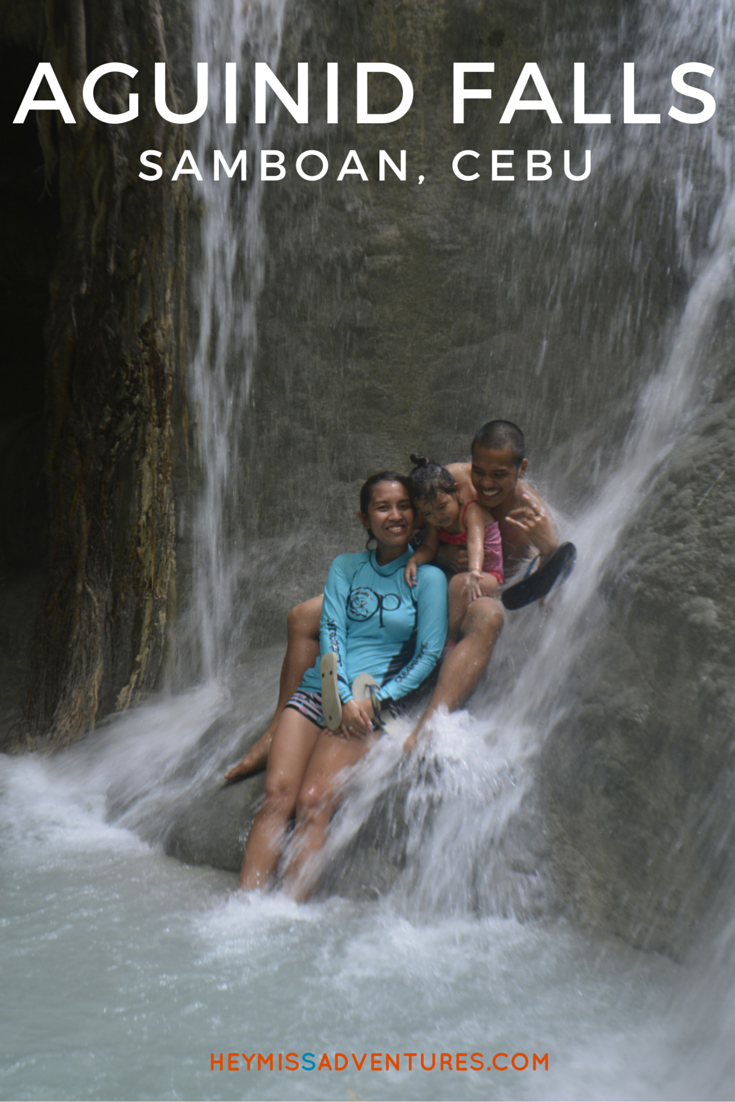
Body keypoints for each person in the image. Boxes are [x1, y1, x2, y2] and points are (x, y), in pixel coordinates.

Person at [224, 419, 557, 775]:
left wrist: (549, 548)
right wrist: (434, 556)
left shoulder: (532, 517)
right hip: (417, 584)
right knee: (303, 616)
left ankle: (430, 722)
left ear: (522, 469)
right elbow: (408, 518)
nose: (487, 484)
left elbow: (542, 592)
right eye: (481, 472)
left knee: (489, 613)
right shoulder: (456, 479)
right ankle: (277, 729)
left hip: (467, 601)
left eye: (500, 475)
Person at [235, 472, 447, 898]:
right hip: (321, 691)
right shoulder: (345, 567)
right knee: (277, 796)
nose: (395, 515)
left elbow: (429, 654)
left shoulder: (429, 579)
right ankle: (242, 910)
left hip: (376, 703)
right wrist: (344, 696)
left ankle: (289, 915)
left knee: (313, 803)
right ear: (364, 517)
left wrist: (372, 701)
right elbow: (331, 632)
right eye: (383, 507)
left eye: (404, 506)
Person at [404, 455, 503, 644]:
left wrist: (474, 571)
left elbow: (475, 543)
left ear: (456, 492)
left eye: (442, 507)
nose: (438, 516)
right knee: (429, 582)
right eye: (428, 513)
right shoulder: (436, 522)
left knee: (459, 583)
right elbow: (429, 547)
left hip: (488, 576)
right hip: (460, 576)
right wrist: (414, 560)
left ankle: (449, 638)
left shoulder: (471, 511)